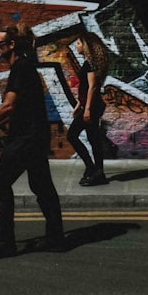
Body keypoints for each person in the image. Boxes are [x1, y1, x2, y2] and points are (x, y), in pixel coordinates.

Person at [0, 23, 65, 260]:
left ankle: (4, 242)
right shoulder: (23, 68)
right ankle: (55, 237)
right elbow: (17, 110)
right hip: (34, 137)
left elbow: (8, 105)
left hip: (27, 139)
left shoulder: (21, 68)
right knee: (42, 187)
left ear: (11, 45)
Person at [66, 32, 111, 186]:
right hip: (89, 105)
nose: (76, 46)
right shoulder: (90, 62)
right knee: (93, 139)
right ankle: (98, 172)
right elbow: (85, 89)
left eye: (78, 43)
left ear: (86, 45)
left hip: (92, 107)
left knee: (72, 135)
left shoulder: (90, 64)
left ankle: (92, 168)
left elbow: (92, 87)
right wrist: (79, 106)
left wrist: (87, 110)